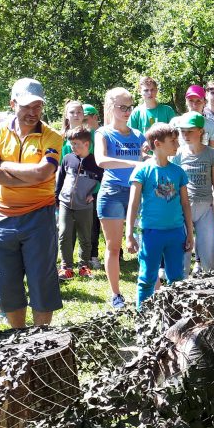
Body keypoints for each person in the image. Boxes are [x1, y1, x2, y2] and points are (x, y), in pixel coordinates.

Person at [0, 78, 63, 328]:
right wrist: (27, 177)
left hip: (40, 217)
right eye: (26, 106)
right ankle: (18, 339)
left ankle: (41, 340)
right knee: (6, 283)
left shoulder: (52, 136)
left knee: (42, 282)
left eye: (37, 106)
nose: (32, 112)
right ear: (13, 103)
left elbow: (43, 174)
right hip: (1, 220)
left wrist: (4, 168)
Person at [125, 123, 193, 308]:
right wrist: (129, 234)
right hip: (151, 233)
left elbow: (186, 204)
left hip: (176, 232)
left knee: (177, 279)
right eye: (173, 141)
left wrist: (190, 233)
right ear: (158, 143)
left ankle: (174, 317)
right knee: (147, 278)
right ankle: (143, 319)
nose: (177, 145)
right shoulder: (142, 170)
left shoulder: (178, 172)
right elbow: (133, 204)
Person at [95, 87, 146, 309]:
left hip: (138, 193)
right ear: (110, 107)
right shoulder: (103, 133)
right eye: (122, 107)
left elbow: (148, 158)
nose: (127, 111)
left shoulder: (138, 135)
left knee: (147, 244)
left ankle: (151, 288)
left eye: (129, 107)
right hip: (112, 193)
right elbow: (101, 160)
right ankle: (116, 295)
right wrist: (135, 163)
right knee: (114, 247)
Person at [172, 111, 214, 274]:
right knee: (183, 250)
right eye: (183, 131)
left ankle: (212, 286)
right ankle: (179, 285)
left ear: (201, 131)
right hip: (183, 207)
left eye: (190, 131)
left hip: (205, 208)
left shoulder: (211, 154)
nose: (186, 135)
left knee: (209, 249)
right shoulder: (179, 153)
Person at [55, 126, 104, 281]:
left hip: (85, 205)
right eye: (71, 143)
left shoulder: (96, 162)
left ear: (87, 144)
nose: (72, 146)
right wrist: (56, 198)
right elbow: (60, 178)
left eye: (76, 143)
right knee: (64, 235)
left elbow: (104, 183)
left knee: (85, 236)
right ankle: (66, 267)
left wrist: (94, 196)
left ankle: (84, 266)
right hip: (65, 203)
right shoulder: (67, 158)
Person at [82, 103, 103, 269]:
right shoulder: (81, 136)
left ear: (95, 117)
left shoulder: (103, 134)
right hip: (84, 183)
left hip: (101, 183)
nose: (83, 122)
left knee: (99, 220)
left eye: (86, 119)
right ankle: (87, 255)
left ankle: (95, 255)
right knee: (88, 223)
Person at [184, 85, 214, 149]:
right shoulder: (176, 123)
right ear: (186, 102)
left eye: (198, 101)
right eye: (191, 101)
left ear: (204, 102)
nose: (194, 105)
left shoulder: (211, 125)